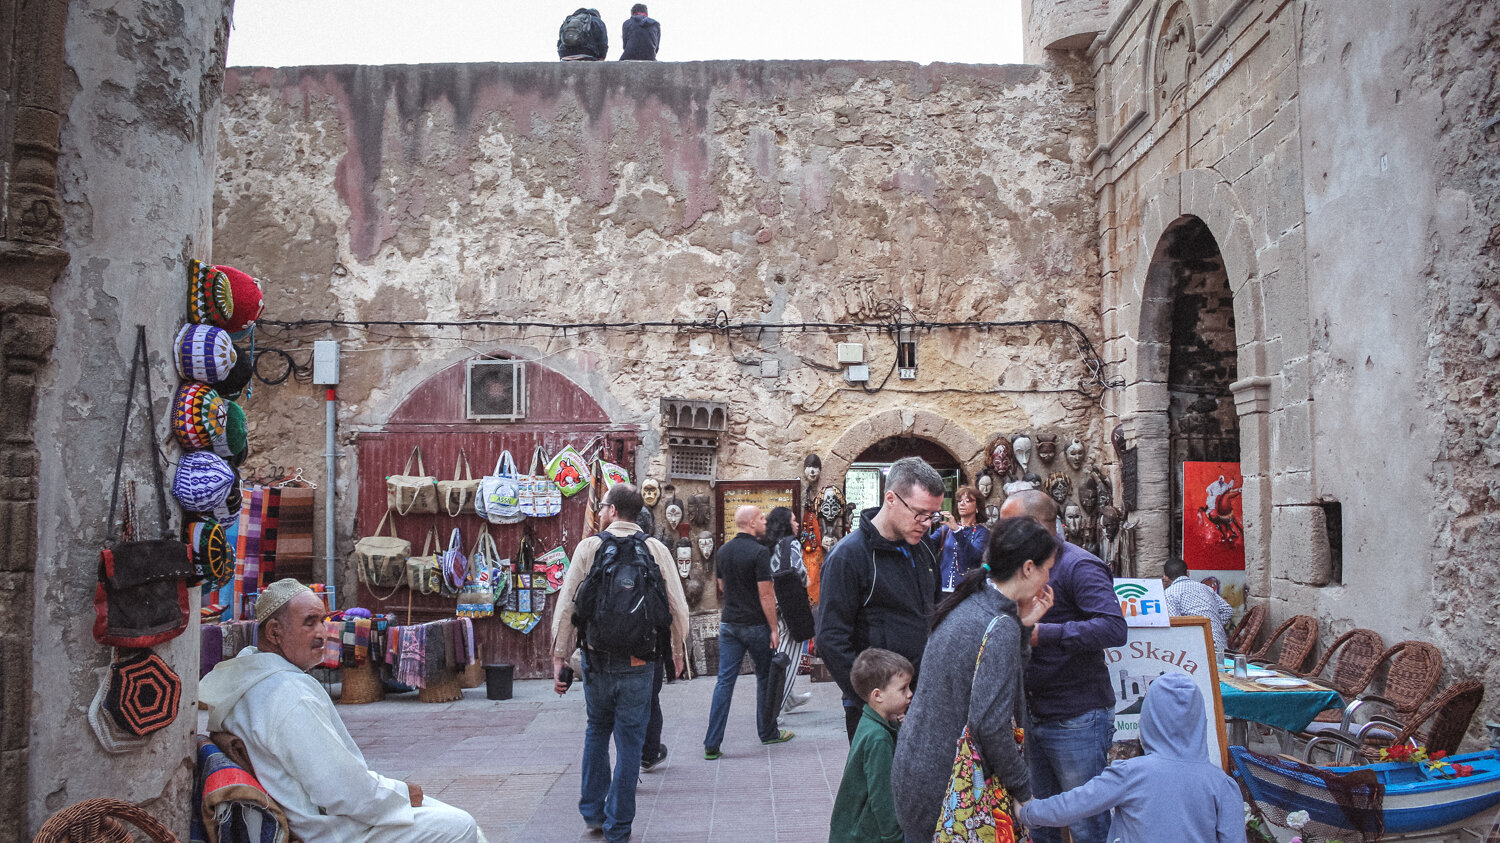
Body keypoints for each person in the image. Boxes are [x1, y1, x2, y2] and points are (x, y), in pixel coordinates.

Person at [200, 578, 482, 842]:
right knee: (462, 825)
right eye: (309, 623)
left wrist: (395, 794)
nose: (322, 633)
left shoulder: (249, 674)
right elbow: (342, 791)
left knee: (431, 807)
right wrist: (398, 793)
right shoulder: (288, 694)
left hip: (319, 813)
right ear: (275, 631)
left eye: (322, 621)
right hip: (327, 831)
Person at [890, 518, 1058, 840]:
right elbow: (991, 726)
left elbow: (995, 676)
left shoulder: (971, 600)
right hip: (950, 785)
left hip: (918, 771)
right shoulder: (998, 625)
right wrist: (1023, 791)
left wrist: (1023, 627)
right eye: (1046, 568)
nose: (1049, 578)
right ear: (1027, 568)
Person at [551, 484, 689, 841]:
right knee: (630, 741)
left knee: (597, 731)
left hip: (597, 659)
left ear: (612, 511)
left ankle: (593, 814)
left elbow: (568, 604)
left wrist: (559, 656)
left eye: (602, 506)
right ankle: (619, 827)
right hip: (640, 662)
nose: (600, 511)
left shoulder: (589, 547)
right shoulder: (655, 548)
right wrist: (677, 651)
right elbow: (678, 606)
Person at [999, 489, 1128, 843]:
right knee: (1040, 821)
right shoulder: (1023, 567)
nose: (1002, 536)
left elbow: (1114, 628)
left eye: (1009, 527)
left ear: (1038, 527)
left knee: (1087, 825)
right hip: (1033, 713)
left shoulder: (1079, 565)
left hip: (1077, 717)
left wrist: (1046, 634)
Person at [1017, 673, 1246, 843]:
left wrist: (1028, 812)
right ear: (1200, 721)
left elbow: (1075, 804)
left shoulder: (1130, 773)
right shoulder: (1222, 784)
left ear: (1149, 719)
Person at [817, 456, 945, 741]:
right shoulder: (848, 557)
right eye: (920, 513)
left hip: (920, 700)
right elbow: (831, 640)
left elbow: (931, 617)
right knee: (878, 785)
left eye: (933, 516)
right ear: (891, 498)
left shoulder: (923, 548)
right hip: (873, 710)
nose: (926, 523)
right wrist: (875, 701)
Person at [704, 505, 795, 757]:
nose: (765, 521)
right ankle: (768, 733)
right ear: (752, 523)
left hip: (729, 624)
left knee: (724, 682)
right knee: (764, 678)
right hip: (756, 625)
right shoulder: (758, 553)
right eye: (761, 518)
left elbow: (721, 586)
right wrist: (774, 628)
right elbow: (766, 594)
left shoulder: (723, 551)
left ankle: (712, 744)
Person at [828, 648, 913, 843]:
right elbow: (882, 794)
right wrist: (894, 836)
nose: (910, 694)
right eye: (903, 688)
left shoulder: (871, 721)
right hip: (863, 834)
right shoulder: (878, 738)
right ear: (878, 695)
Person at [765, 506, 816, 717]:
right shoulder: (791, 543)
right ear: (786, 523)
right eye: (794, 520)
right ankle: (777, 709)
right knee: (790, 653)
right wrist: (807, 580)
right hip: (790, 604)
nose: (797, 524)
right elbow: (798, 571)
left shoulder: (769, 544)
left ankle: (789, 696)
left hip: (774, 603)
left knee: (781, 650)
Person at [1162, 558, 1234, 656]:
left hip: (1196, 651)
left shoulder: (1169, 593)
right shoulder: (1205, 588)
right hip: (1221, 647)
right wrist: (1211, 624)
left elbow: (1175, 625)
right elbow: (1227, 610)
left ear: (1166, 577)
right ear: (1188, 572)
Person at [934, 484, 989, 592]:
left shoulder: (982, 532)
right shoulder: (946, 529)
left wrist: (957, 531)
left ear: (977, 507)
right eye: (959, 501)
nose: (962, 504)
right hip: (942, 588)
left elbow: (974, 556)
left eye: (968, 501)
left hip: (967, 590)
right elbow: (925, 545)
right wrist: (924, 521)